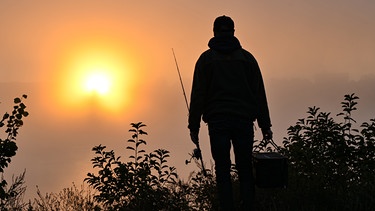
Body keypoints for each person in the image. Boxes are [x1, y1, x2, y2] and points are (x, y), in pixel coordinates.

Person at [188, 15, 273, 210]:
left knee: (223, 171)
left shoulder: (206, 60)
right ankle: (248, 206)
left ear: (214, 32)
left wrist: (193, 126)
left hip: (218, 123)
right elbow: (259, 94)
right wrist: (265, 125)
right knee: (245, 169)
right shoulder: (247, 59)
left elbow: (198, 95)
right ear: (233, 32)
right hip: (243, 121)